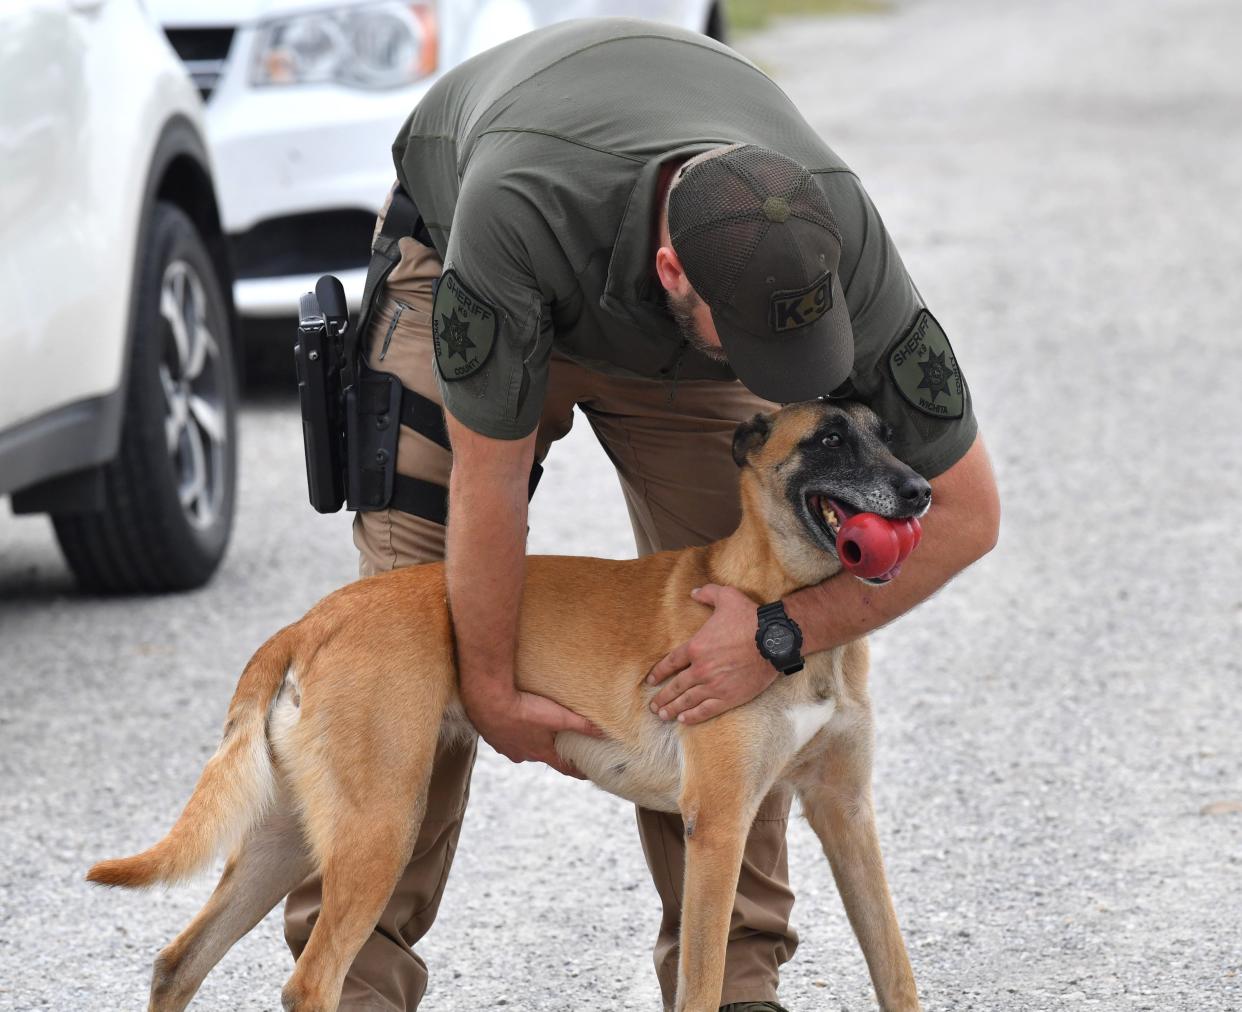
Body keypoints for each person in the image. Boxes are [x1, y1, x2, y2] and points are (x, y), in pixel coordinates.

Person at [284, 17, 1000, 1012]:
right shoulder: (519, 208)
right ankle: (352, 988)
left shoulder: (825, 234)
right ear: (675, 275)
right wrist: (491, 687)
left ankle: (735, 986)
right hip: (482, 268)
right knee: (405, 638)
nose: (779, 378)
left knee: (736, 634)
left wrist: (782, 631)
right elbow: (488, 481)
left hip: (682, 339)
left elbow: (969, 514)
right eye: (756, 346)